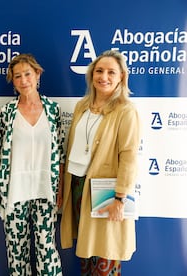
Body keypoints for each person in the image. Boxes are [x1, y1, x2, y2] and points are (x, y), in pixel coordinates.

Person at [60, 50, 140, 275]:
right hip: (78, 187)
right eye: (99, 71)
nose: (103, 76)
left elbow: (129, 156)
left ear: (121, 77)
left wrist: (120, 197)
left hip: (106, 192)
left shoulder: (126, 111)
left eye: (111, 72)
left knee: (106, 253)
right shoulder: (81, 106)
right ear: (91, 75)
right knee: (86, 251)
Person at [0, 53, 64, 276]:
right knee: (16, 252)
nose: (23, 80)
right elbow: (0, 146)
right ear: (12, 81)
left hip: (45, 190)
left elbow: (60, 152)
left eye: (27, 74)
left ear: (37, 74)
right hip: (15, 192)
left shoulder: (53, 110)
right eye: (17, 76)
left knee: (47, 248)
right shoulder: (7, 112)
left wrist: (60, 187)